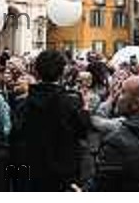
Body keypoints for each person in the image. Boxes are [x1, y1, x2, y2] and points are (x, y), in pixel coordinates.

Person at [10, 51, 90, 192]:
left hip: (30, 176)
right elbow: (82, 132)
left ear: (36, 71)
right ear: (62, 72)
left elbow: (15, 138)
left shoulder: (23, 104)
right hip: (62, 177)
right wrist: (85, 110)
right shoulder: (70, 103)